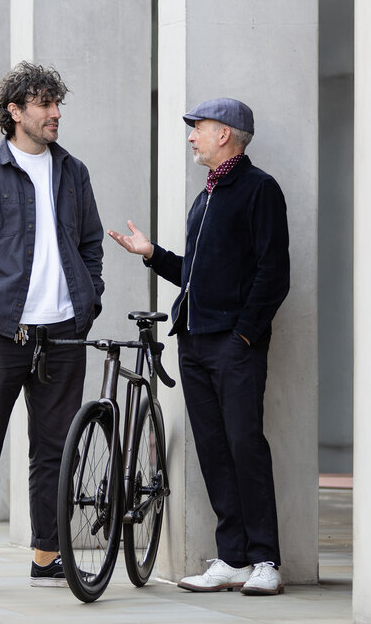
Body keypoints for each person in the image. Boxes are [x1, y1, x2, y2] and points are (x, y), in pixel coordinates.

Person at [107, 98, 289, 596]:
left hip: (234, 344)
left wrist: (245, 335)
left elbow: (274, 274)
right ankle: (231, 557)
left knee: (245, 445)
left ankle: (265, 559)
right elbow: (197, 274)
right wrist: (152, 255)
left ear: (226, 134)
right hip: (195, 342)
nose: (191, 136)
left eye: (198, 128)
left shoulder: (259, 189)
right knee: (212, 449)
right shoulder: (205, 196)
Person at [0, 61, 104, 594]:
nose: (55, 114)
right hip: (1, 330)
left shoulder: (72, 172)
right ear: (14, 112)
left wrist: (87, 301)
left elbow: (91, 245)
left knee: (56, 448)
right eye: (44, 104)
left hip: (63, 332)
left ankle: (47, 555)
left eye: (58, 103)